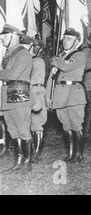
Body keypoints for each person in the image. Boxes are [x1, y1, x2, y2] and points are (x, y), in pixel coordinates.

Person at [46, 28, 87, 163]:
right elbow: (52, 78)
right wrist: (48, 95)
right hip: (60, 94)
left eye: (69, 38)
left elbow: (66, 67)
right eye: (64, 38)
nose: (65, 41)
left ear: (77, 42)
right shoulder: (60, 56)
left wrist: (55, 59)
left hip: (74, 94)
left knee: (76, 125)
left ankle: (79, 154)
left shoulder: (79, 55)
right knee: (66, 125)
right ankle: (70, 153)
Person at [0, 24, 33, 172]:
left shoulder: (23, 54)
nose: (2, 39)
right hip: (7, 93)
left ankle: (27, 161)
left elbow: (12, 75)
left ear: (15, 37)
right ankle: (18, 160)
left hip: (19, 93)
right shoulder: (9, 54)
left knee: (23, 128)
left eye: (5, 36)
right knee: (12, 129)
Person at [28, 36, 48, 163]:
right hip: (28, 91)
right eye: (32, 46)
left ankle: (36, 153)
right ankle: (30, 150)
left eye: (36, 46)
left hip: (37, 90)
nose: (34, 49)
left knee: (37, 123)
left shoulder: (39, 60)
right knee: (29, 123)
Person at [80, 39, 91, 138]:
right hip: (86, 83)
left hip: (87, 83)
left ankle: (85, 130)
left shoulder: (86, 51)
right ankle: (84, 130)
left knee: (86, 108)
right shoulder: (86, 51)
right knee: (87, 108)